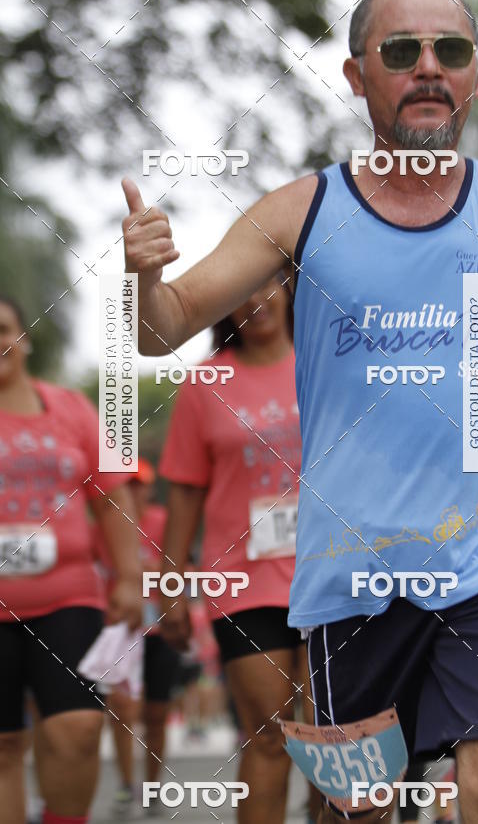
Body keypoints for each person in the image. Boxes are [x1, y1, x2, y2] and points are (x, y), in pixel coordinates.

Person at [120, 0, 478, 824]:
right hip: (353, 577)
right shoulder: (301, 213)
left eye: (449, 52)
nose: (427, 69)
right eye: (401, 51)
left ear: (475, 75)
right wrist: (146, 279)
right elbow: (165, 328)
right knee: (358, 808)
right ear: (355, 76)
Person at [158, 275, 320, 824]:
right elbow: (185, 491)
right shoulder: (206, 385)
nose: (256, 300)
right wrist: (172, 584)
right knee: (269, 735)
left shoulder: (329, 362)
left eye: (267, 285)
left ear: (291, 289)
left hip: (337, 576)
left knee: (336, 742)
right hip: (244, 584)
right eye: (241, 289)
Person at [0, 296, 142, 824]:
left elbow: (113, 496)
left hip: (69, 597)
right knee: (5, 745)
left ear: (25, 337)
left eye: (3, 328)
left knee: (78, 729)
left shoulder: (72, 408)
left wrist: (128, 577)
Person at [91, 458, 180, 819]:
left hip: (160, 628)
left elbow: (184, 569)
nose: (133, 491)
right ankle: (129, 786)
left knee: (156, 714)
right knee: (122, 709)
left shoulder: (163, 522)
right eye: (126, 484)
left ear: (150, 487)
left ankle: (153, 789)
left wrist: (153, 571)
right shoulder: (104, 527)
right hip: (120, 629)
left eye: (139, 484)